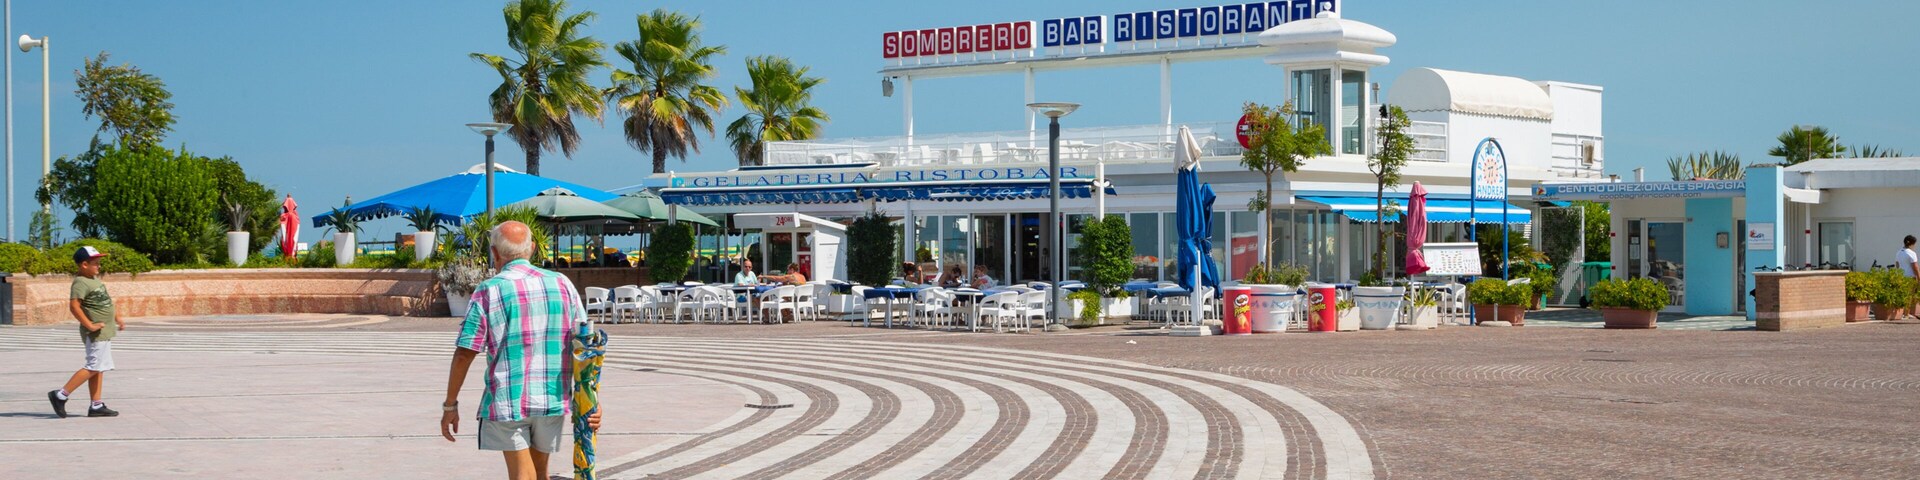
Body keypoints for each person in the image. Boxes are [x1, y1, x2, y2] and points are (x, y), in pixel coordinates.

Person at [440, 221, 601, 480]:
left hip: (508, 399)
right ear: (533, 249)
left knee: (522, 475)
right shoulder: (562, 284)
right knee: (539, 473)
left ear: (494, 253)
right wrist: (591, 400)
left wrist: (450, 405)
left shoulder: (489, 290)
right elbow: (585, 345)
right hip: (552, 398)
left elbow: (465, 352)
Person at [47, 246, 124, 418]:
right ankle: (60, 395)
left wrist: (117, 318)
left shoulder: (94, 280)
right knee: (93, 366)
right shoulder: (80, 282)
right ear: (84, 264)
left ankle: (96, 405)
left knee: (99, 368)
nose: (99, 266)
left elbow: (106, 302)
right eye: (95, 263)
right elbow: (74, 306)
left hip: (104, 331)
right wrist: (89, 325)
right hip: (96, 333)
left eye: (99, 263)